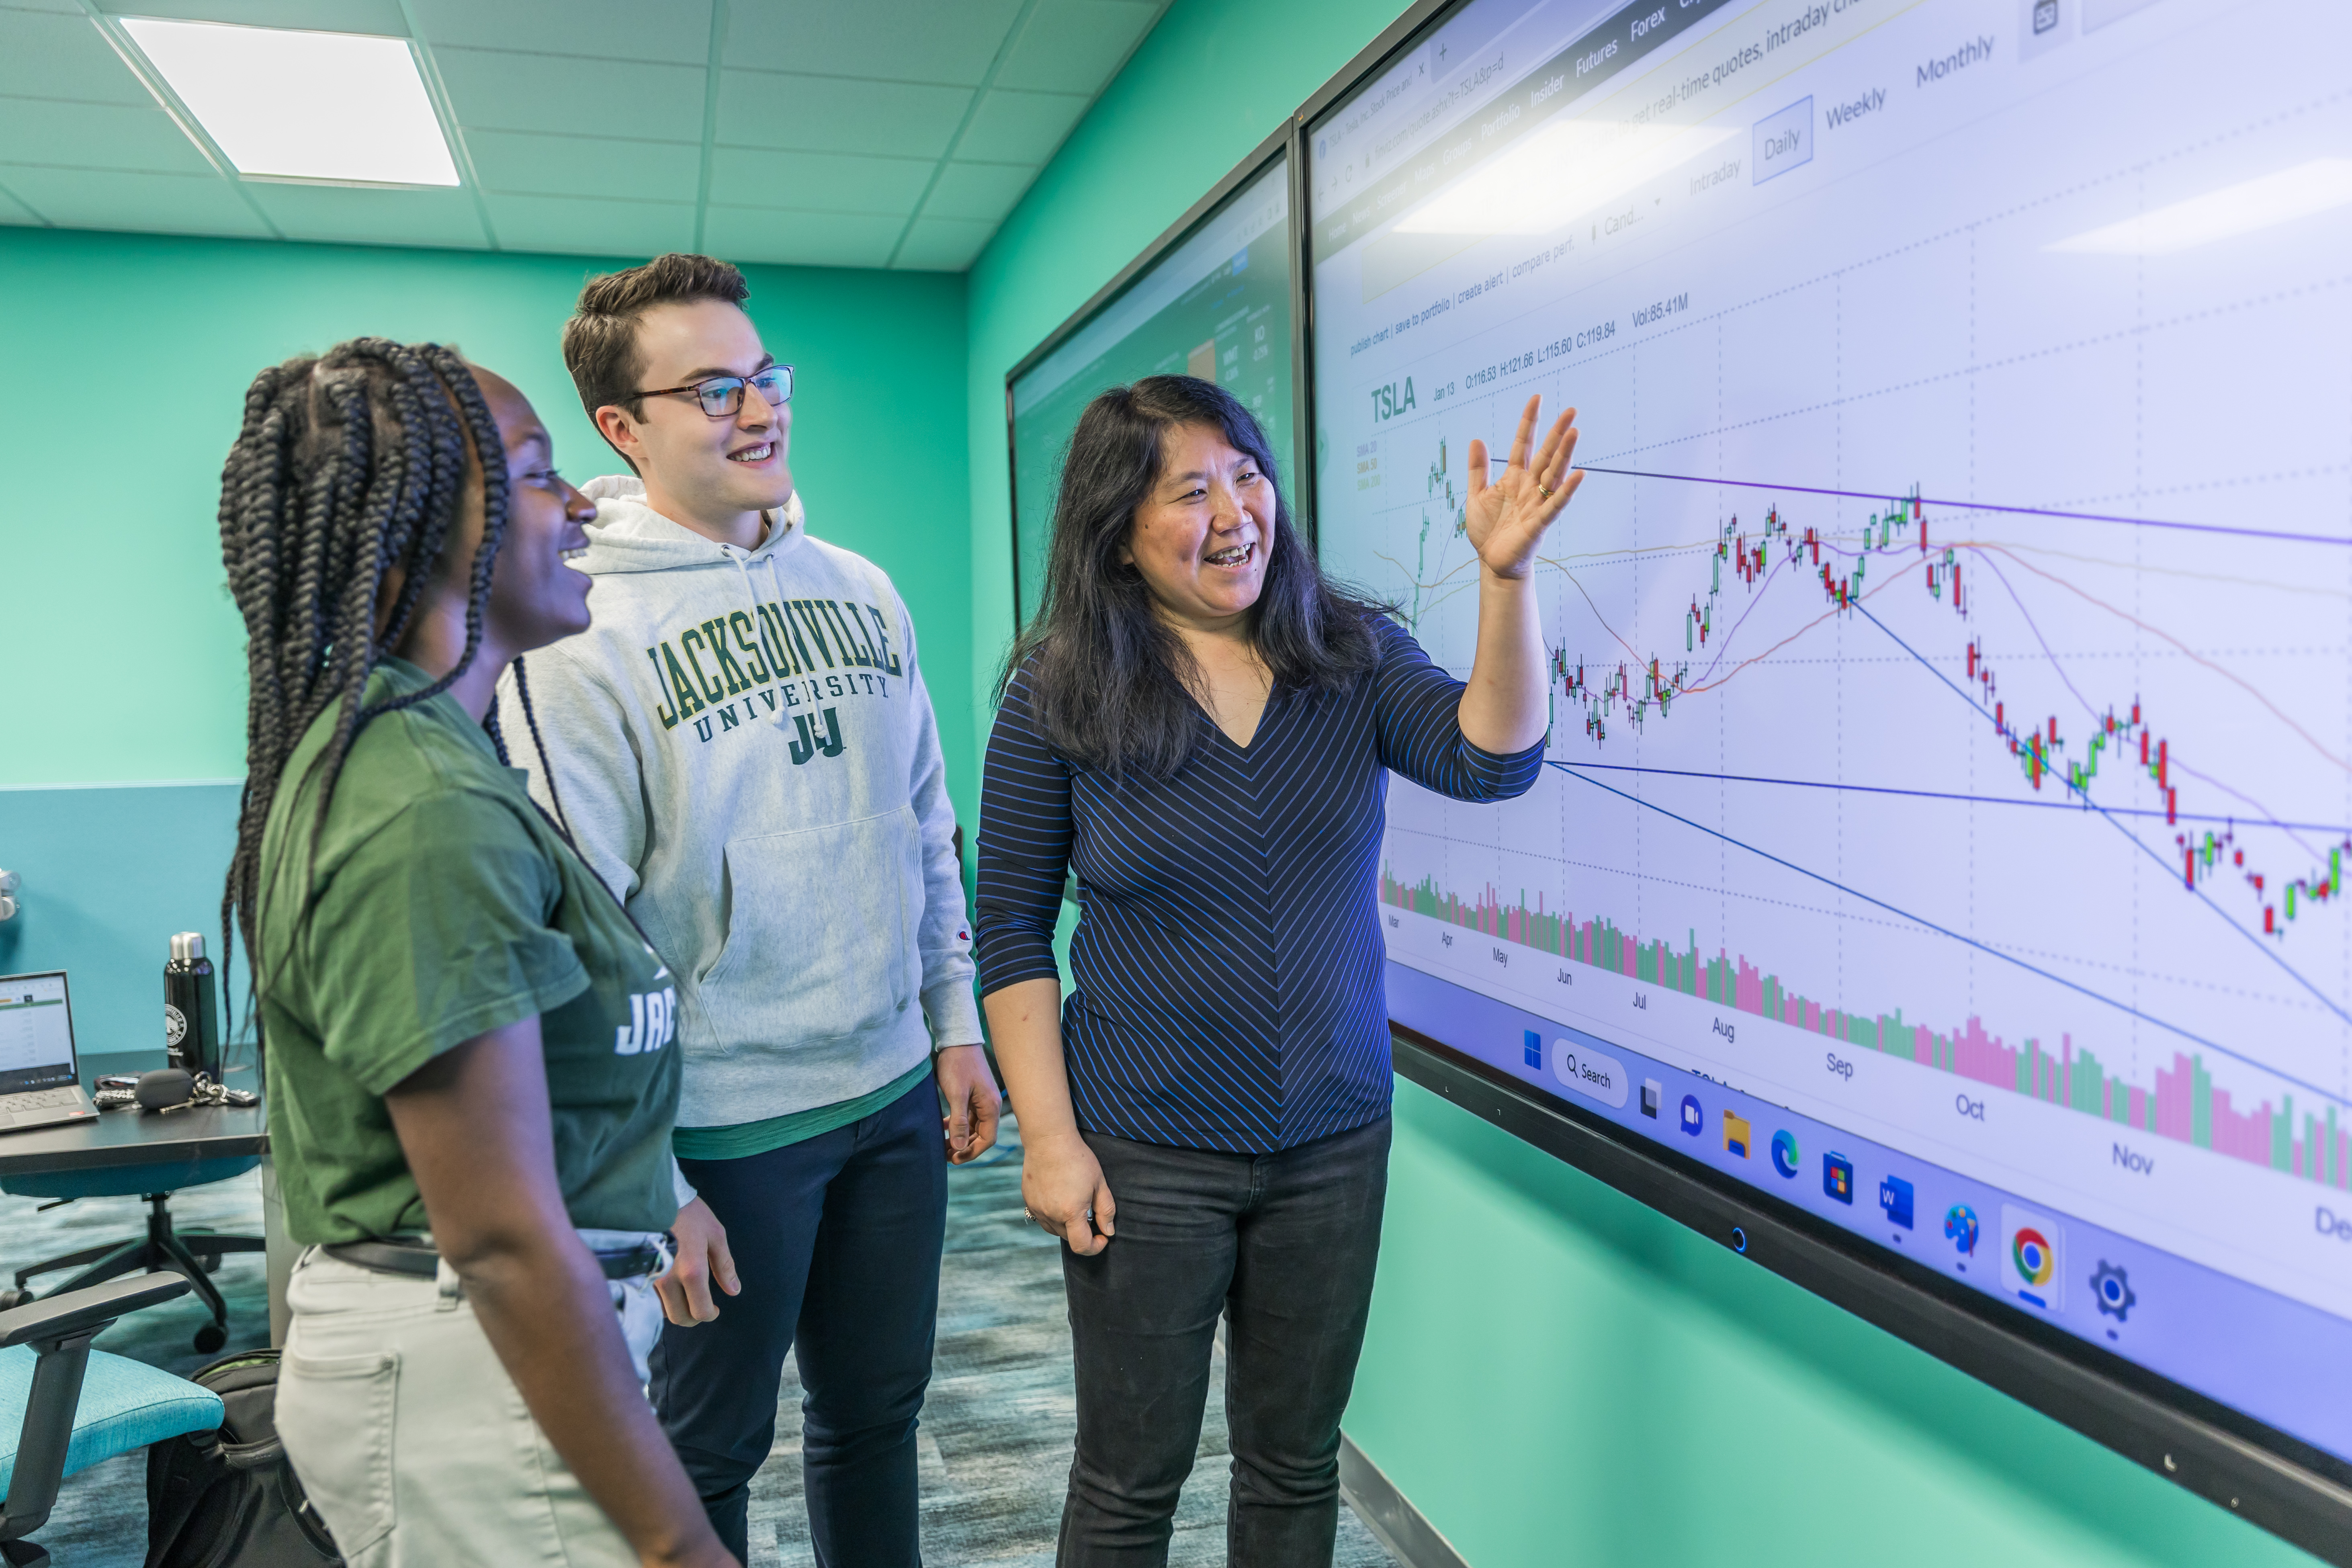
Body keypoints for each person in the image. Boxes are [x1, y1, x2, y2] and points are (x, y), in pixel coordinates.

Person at [976, 374, 1583, 1565]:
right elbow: (1009, 930)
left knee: (1295, 1467)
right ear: (1116, 531)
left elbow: (1489, 764)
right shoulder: (1057, 696)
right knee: (1128, 1483)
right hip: (1144, 1150)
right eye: (1188, 491)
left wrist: (1505, 583)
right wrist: (1050, 1142)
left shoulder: (1346, 654)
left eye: (1246, 475)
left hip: (1333, 1141)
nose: (1234, 511)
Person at [495, 252, 999, 1565]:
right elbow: (580, 933)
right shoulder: (578, 635)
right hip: (721, 1132)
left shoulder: (864, 588)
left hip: (889, 1093)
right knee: (709, 1454)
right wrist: (649, 1179)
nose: (760, 409)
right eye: (713, 389)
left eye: (764, 375)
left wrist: (955, 1024)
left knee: (875, 1416)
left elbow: (925, 827)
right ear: (623, 427)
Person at [219, 338, 736, 1568]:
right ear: (416, 534)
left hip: (491, 1366)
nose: (582, 507)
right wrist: (680, 1544)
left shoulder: (431, 761)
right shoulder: (417, 805)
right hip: (474, 1381)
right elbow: (501, 1236)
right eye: (542, 473)